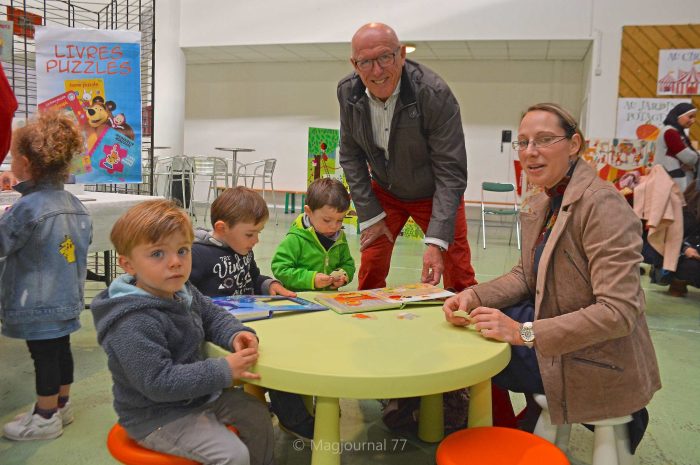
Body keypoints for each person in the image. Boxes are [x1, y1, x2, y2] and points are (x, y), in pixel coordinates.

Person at [443, 103, 661, 451]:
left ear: (574, 144)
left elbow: (617, 313)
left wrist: (522, 332)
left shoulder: (602, 205)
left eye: (544, 140)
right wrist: (474, 296)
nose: (530, 152)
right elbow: (525, 275)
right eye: (524, 142)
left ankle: (490, 439)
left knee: (474, 353)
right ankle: (504, 436)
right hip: (561, 335)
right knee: (474, 334)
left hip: (597, 354)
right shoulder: (542, 199)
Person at [89, 200, 274, 465]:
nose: (175, 262)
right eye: (157, 254)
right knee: (233, 455)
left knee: (256, 414)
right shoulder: (132, 320)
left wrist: (235, 333)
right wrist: (223, 370)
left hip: (197, 396)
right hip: (157, 415)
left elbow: (212, 315)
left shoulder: (181, 289)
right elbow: (158, 382)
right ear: (128, 264)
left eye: (183, 250)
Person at [337, 22, 476, 291]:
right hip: (385, 192)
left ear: (401, 54)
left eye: (385, 57)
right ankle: (367, 318)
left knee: (457, 267)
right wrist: (371, 216)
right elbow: (351, 157)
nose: (377, 71)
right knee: (372, 262)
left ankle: (465, 314)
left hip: (435, 192)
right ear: (354, 65)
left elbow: (451, 172)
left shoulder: (434, 94)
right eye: (366, 62)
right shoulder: (348, 93)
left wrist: (436, 241)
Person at [190, 186, 315, 442]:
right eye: (250, 234)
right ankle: (294, 418)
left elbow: (254, 277)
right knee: (271, 358)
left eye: (258, 233)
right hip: (221, 334)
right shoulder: (199, 254)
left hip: (252, 322)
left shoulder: (243, 250)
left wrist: (272, 286)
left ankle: (292, 407)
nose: (255, 240)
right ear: (222, 228)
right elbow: (182, 291)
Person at [1, 112, 92, 441]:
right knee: (61, 351)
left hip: (36, 301)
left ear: (25, 163)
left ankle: (44, 416)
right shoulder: (75, 204)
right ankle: (60, 405)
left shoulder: (27, 209)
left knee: (43, 357)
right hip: (67, 297)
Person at [271, 177, 355, 291]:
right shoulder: (295, 238)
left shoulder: (340, 237)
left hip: (329, 301)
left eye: (340, 220)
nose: (334, 226)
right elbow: (280, 268)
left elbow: (348, 263)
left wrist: (344, 275)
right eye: (326, 220)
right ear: (309, 212)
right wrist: (311, 279)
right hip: (300, 300)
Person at [655, 102, 698, 191]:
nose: (693, 121)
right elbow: (689, 159)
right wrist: (696, 157)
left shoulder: (675, 132)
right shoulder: (670, 133)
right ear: (679, 116)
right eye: (690, 117)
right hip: (671, 182)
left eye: (694, 117)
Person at [667, 183, 700, 296]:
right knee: (690, 266)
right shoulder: (685, 211)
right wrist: (685, 248)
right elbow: (670, 236)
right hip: (682, 254)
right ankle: (677, 282)